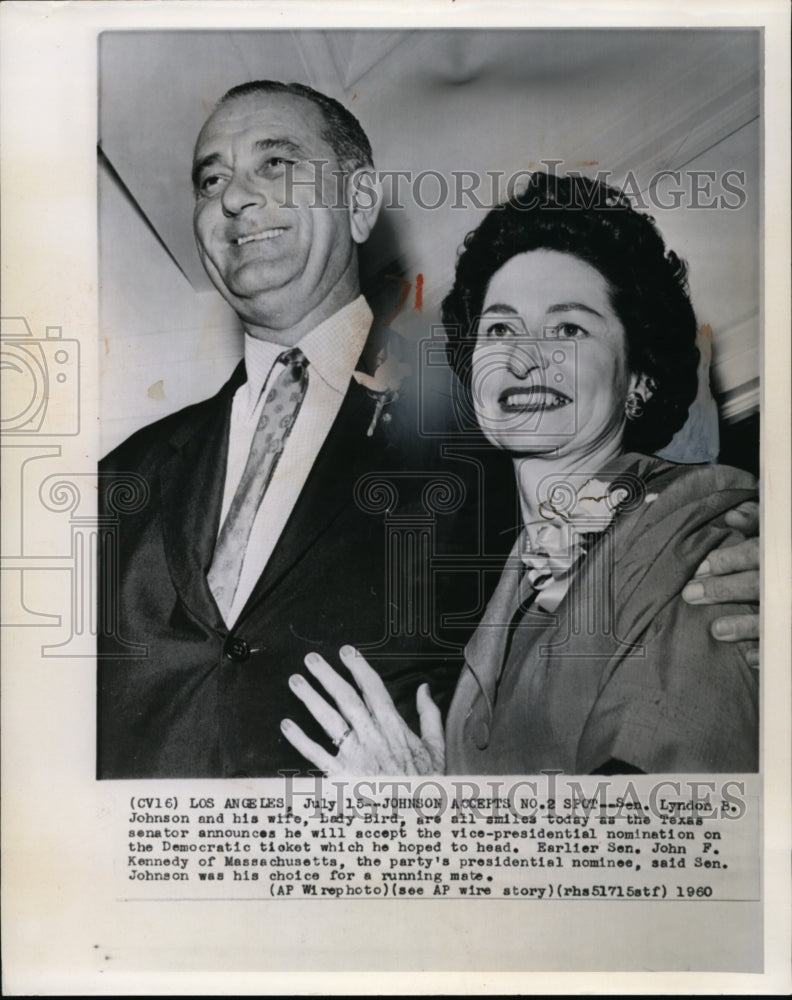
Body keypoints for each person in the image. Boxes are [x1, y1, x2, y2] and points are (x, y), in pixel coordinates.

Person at [98, 82, 759, 779]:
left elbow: (667, 499)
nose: (234, 196)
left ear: (358, 205)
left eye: (275, 164)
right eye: (211, 178)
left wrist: (754, 560)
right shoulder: (123, 475)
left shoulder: (502, 409)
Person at [281, 171, 759, 775]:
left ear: (638, 379)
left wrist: (422, 821)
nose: (524, 357)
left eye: (568, 328)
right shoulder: (508, 586)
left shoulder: (698, 532)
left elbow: (655, 848)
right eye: (501, 328)